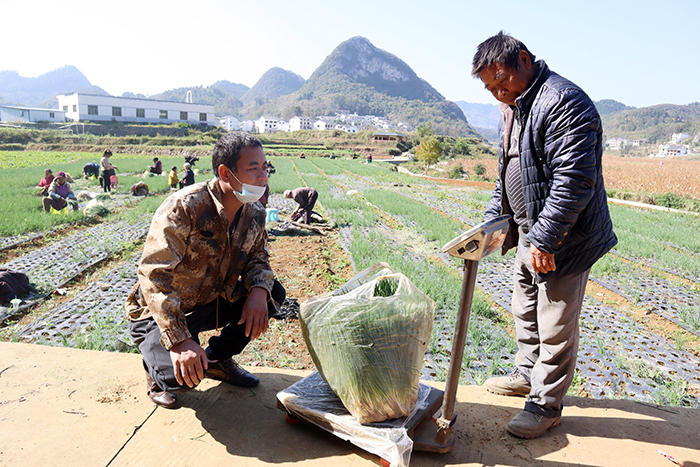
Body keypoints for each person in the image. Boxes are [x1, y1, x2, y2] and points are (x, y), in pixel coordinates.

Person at [472, 32, 617, 439]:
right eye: (490, 88)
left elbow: (575, 180)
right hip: (528, 233)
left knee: (555, 322)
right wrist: (492, 225)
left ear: (524, 60)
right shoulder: (513, 109)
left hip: (562, 239)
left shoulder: (563, 101)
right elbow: (507, 176)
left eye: (502, 82)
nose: (498, 93)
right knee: (525, 310)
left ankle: (546, 405)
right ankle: (525, 373)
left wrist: (546, 240)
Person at [125, 131, 286, 409]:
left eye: (264, 167)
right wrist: (179, 341)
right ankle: (156, 373)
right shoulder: (185, 207)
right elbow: (154, 274)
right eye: (253, 168)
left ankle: (217, 359)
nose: (263, 176)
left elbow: (258, 257)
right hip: (163, 310)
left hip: (210, 301)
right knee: (181, 380)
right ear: (225, 173)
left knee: (273, 293)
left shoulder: (255, 212)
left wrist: (259, 292)